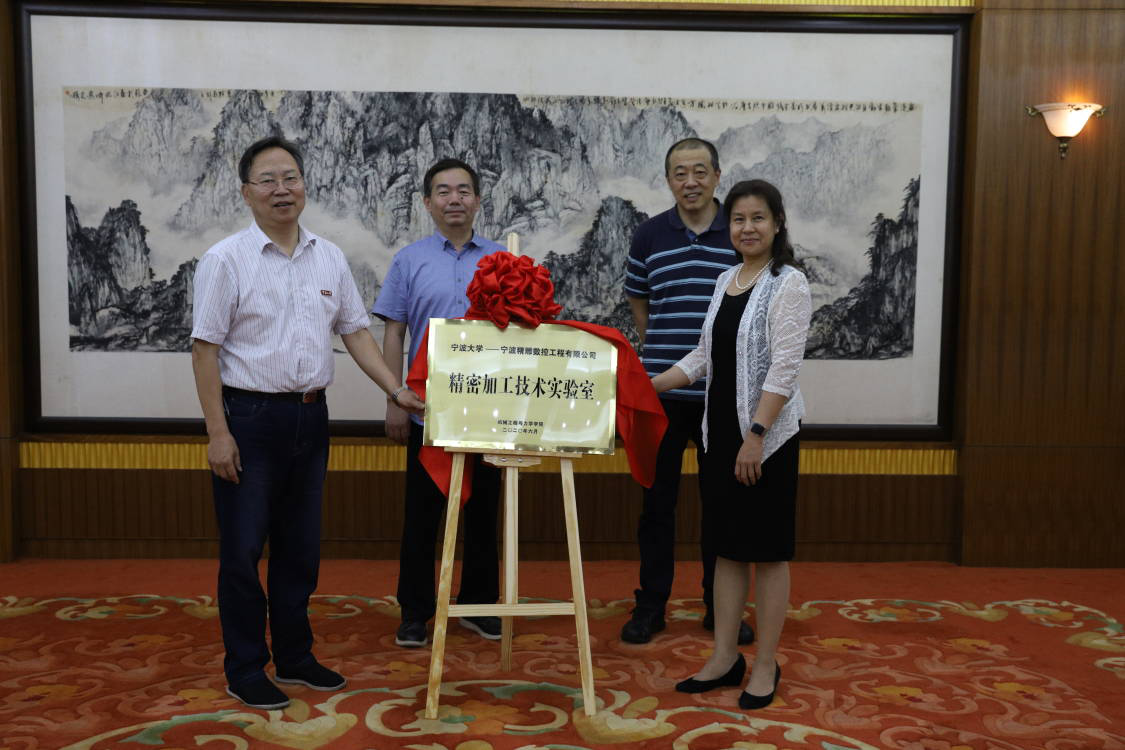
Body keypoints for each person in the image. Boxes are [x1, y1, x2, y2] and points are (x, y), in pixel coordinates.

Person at [191, 135, 423, 710]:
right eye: (267, 180)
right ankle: (246, 666)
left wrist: (396, 390)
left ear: (305, 185)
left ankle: (295, 655)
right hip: (249, 419)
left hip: (311, 417)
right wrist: (218, 433)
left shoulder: (328, 257)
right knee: (244, 550)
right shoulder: (225, 259)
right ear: (246, 192)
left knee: (299, 549)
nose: (281, 189)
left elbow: (356, 333)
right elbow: (205, 350)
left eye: (290, 177)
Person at [655, 179, 811, 710]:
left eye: (758, 218)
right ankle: (725, 657)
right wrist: (650, 385)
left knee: (766, 553)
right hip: (718, 436)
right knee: (725, 550)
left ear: (777, 224)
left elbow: (785, 368)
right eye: (739, 219)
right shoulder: (726, 279)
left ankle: (765, 662)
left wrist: (757, 436)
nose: (747, 228)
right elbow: (703, 356)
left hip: (765, 441)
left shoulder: (788, 283)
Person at [622, 138, 753, 645]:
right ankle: (650, 606)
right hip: (661, 393)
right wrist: (662, 355)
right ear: (668, 180)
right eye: (680, 173)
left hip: (723, 395)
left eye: (700, 171)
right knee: (656, 506)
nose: (690, 181)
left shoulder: (737, 231)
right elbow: (639, 301)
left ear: (718, 176)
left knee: (721, 505)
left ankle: (719, 607)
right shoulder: (649, 234)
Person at [372, 158, 505, 649]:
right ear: (428, 203)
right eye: (444, 191)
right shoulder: (410, 260)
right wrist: (394, 398)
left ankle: (479, 606)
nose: (455, 199)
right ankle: (415, 613)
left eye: (464, 190)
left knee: (484, 513)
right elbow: (394, 332)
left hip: (489, 409)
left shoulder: (502, 260)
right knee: (422, 517)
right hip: (426, 410)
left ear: (477, 200)